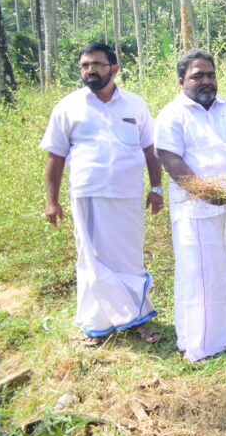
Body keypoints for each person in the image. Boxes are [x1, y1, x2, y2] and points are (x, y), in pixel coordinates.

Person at [40, 42, 163, 346]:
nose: (90, 70)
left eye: (97, 64)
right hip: (87, 193)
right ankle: (97, 324)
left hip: (127, 195)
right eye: (85, 65)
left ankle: (139, 319)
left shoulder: (135, 105)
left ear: (114, 69)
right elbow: (55, 158)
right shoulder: (68, 106)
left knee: (130, 258)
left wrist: (156, 188)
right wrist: (51, 202)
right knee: (91, 258)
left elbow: (151, 150)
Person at [155, 49, 226, 362]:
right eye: (197, 75)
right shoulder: (172, 114)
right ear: (181, 80)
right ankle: (201, 344)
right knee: (201, 276)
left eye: (210, 74)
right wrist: (202, 191)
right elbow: (169, 157)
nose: (206, 81)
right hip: (197, 210)